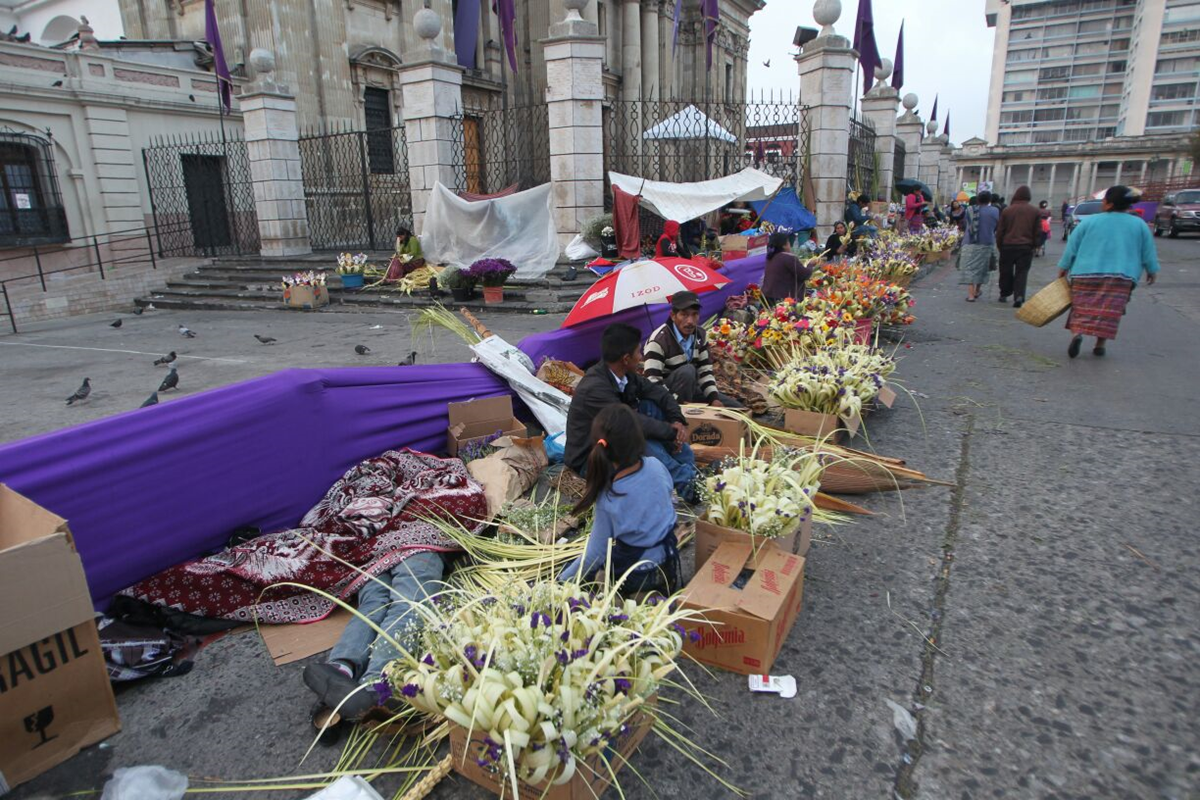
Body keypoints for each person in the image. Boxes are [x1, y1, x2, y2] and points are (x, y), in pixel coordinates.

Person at [302, 553, 445, 720]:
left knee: (373, 603)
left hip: (370, 549)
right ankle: (376, 681)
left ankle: (341, 668)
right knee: (410, 603)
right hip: (418, 541)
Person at [565, 323, 697, 501]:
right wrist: (671, 432)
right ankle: (685, 480)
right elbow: (630, 423)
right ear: (626, 359)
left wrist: (676, 421)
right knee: (637, 435)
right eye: (638, 352)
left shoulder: (626, 376)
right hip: (592, 458)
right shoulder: (594, 388)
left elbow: (659, 393)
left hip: (620, 437)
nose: (641, 357)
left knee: (651, 407)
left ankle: (690, 473)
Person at [558, 404, 680, 594]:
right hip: (669, 559)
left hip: (638, 574)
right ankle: (663, 586)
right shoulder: (656, 466)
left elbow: (595, 554)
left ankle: (633, 596)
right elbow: (668, 496)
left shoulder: (611, 497)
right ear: (639, 437)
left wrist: (561, 583)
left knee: (586, 574)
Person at [1058, 185, 1159, 359]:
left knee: (1080, 308)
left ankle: (1077, 334)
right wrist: (1152, 270)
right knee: (1109, 312)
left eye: (1104, 200)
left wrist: (1064, 267)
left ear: (1110, 204)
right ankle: (1100, 344)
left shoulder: (1089, 222)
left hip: (1085, 273)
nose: (1102, 203)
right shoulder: (1139, 225)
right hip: (1121, 275)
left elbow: (1072, 247)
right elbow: (1148, 251)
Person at [643, 291, 733, 407]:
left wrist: (713, 399)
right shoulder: (658, 341)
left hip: (692, 389)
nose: (690, 321)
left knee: (735, 408)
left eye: (694, 314)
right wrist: (677, 401)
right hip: (667, 395)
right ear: (673, 316)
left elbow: (704, 371)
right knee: (688, 371)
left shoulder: (700, 334)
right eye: (684, 315)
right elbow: (653, 382)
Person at [995, 185, 1042, 308]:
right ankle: (1019, 295)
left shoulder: (1007, 210)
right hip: (1026, 246)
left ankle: (1004, 293)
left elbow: (1001, 231)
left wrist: (999, 245)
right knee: (1022, 272)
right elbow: (1038, 231)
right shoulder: (1035, 211)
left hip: (1008, 245)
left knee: (1005, 271)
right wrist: (1036, 245)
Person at [957, 192, 1000, 302]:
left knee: (969, 268)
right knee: (983, 268)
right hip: (987, 242)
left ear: (978, 200)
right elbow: (996, 226)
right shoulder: (995, 211)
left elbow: (965, 223)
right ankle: (977, 290)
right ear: (989, 200)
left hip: (970, 242)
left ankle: (971, 295)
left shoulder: (970, 210)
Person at [762, 231, 813, 304]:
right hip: (782, 298)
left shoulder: (771, 256)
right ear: (784, 245)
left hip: (768, 295)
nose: (790, 245)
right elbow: (805, 274)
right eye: (788, 242)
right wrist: (810, 264)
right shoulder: (788, 258)